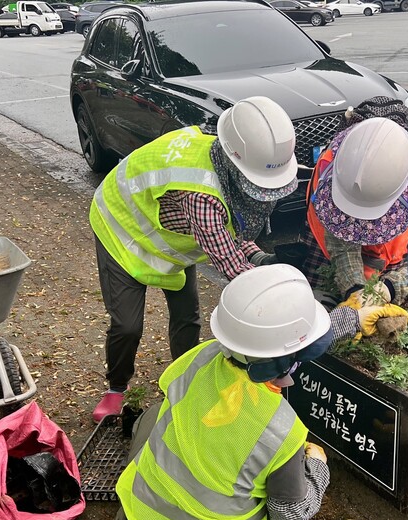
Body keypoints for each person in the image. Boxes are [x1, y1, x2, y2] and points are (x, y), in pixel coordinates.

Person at [114, 265, 408, 520]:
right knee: (278, 503)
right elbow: (290, 514)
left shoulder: (200, 357)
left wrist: (355, 319)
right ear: (291, 359)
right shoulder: (280, 429)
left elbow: (283, 343)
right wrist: (317, 467)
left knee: (154, 417)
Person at [90, 95, 298, 423]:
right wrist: (283, 305)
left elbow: (234, 232)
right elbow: (233, 268)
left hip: (171, 239)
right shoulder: (202, 197)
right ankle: (116, 387)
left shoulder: (233, 158)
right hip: (122, 228)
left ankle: (183, 378)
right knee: (127, 325)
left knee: (187, 315)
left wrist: (261, 258)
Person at [302, 96, 408, 308]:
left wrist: (389, 288)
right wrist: (354, 290)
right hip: (328, 241)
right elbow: (341, 248)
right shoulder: (332, 164)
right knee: (316, 300)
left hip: (389, 250)